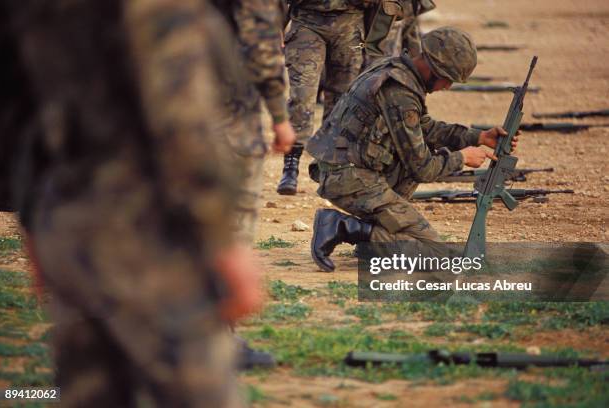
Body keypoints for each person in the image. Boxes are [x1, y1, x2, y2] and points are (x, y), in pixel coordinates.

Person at [0, 0, 259, 405]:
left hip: (63, 216)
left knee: (89, 392)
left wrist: (32, 220)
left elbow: (15, 106)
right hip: (146, 223)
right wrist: (220, 239)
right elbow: (182, 118)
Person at [306, 27, 519, 271]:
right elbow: (423, 168)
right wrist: (462, 159)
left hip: (347, 169)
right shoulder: (400, 93)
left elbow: (424, 128)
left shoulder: (396, 70)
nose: (447, 86)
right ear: (432, 68)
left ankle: (373, 235)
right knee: (433, 254)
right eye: (447, 78)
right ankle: (342, 227)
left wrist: (478, 136)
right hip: (349, 177)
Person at [211, 0, 295, 369]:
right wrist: (279, 115)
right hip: (227, 122)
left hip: (161, 115)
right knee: (229, 230)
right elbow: (262, 45)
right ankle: (215, 339)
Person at [277, 0, 371, 195]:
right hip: (307, 21)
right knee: (302, 94)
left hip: (350, 23)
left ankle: (328, 168)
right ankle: (291, 164)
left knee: (342, 99)